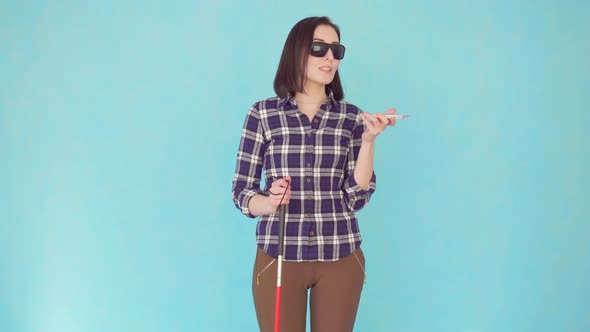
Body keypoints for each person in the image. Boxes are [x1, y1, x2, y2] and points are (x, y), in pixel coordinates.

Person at [232, 16, 397, 332]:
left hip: (340, 254)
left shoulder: (351, 117)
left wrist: (369, 140)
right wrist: (269, 202)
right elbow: (241, 189)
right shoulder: (263, 114)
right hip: (277, 255)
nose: (330, 57)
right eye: (319, 48)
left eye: (337, 50)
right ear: (296, 51)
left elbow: (357, 196)